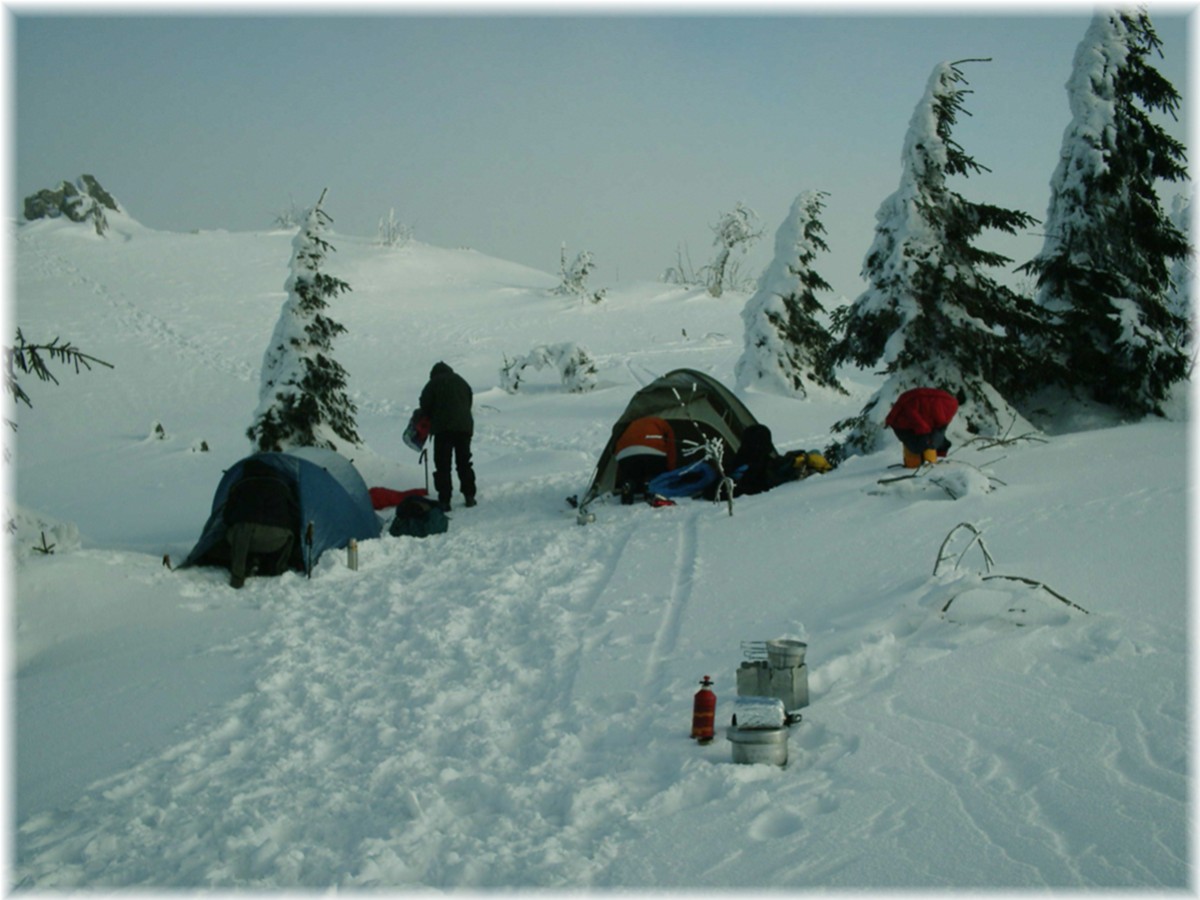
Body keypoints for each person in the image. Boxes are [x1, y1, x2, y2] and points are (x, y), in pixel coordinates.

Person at [223, 458, 300, 588]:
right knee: (289, 534)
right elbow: (295, 516)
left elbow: (227, 516)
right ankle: (279, 568)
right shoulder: (281, 485)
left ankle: (237, 576)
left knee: (241, 529)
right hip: (276, 540)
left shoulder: (240, 484)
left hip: (245, 539)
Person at [419, 361, 477, 511]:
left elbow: (424, 405)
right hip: (464, 428)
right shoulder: (461, 381)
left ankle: (445, 500)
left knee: (443, 465)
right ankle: (469, 495)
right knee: (464, 462)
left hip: (443, 430)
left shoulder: (433, 383)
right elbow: (469, 400)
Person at [885, 387, 959, 468]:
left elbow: (917, 417)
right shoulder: (946, 404)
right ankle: (930, 461)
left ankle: (927, 462)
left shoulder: (901, 415)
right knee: (927, 441)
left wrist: (925, 432)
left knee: (923, 444)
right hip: (912, 422)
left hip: (910, 424)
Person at [613, 416, 676, 504]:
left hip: (624, 453)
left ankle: (629, 484)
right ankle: (650, 485)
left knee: (633, 474)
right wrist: (671, 471)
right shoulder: (663, 423)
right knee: (654, 472)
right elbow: (671, 447)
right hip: (652, 450)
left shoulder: (632, 423)